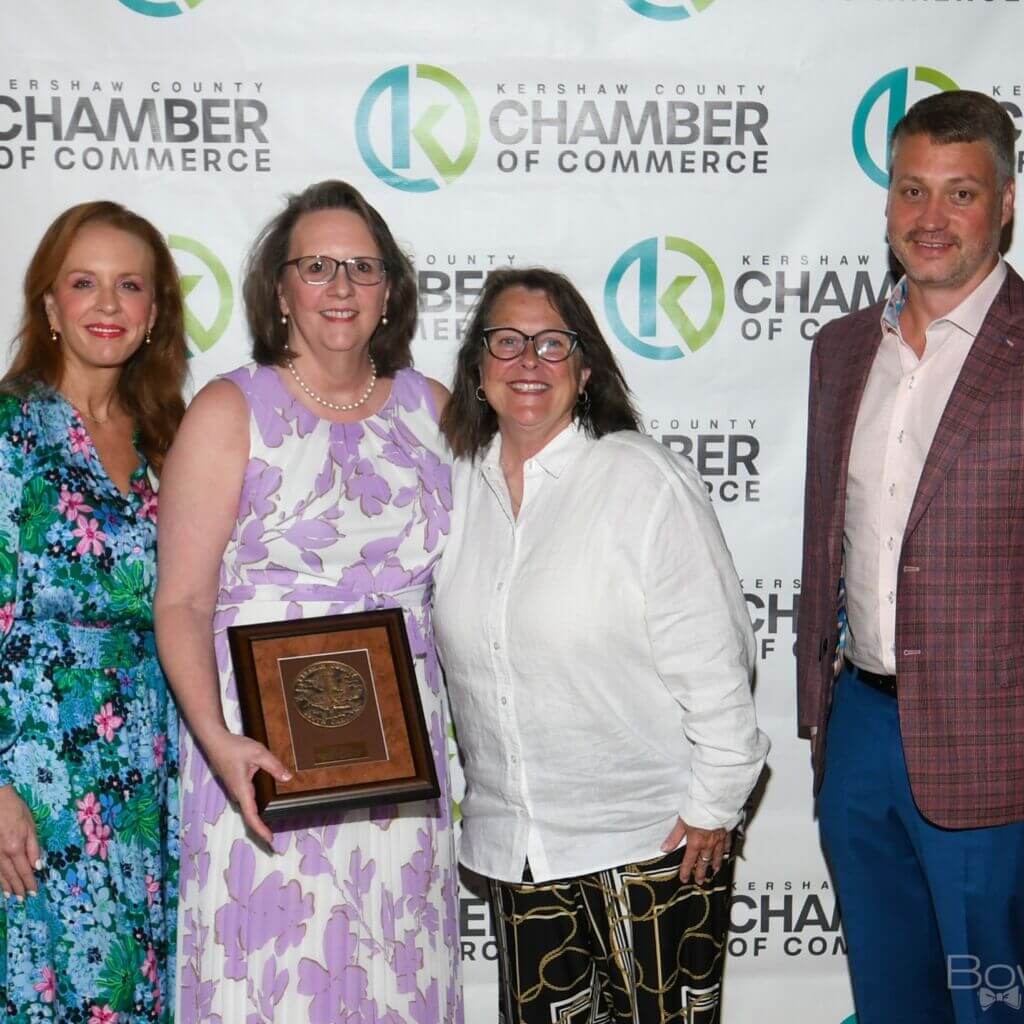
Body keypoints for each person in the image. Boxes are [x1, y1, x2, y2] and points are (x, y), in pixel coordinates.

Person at [154, 180, 463, 1023]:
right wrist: (217, 743)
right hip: (261, 760)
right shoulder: (228, 410)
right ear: (280, 288)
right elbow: (180, 601)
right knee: (280, 981)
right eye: (317, 265)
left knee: (398, 974)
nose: (339, 287)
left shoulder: (432, 408)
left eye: (361, 268)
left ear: (390, 291)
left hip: (401, 760)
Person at [434, 267, 769, 1024]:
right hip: (520, 852)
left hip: (652, 846)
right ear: (478, 369)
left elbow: (720, 660)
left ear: (585, 372)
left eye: (553, 344)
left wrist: (715, 807)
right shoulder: (453, 492)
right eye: (507, 342)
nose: (528, 361)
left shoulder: (641, 481)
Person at [798, 90, 1024, 1024]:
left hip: (997, 749)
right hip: (858, 730)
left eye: (961, 194)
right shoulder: (843, 349)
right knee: (889, 1002)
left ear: (1006, 204)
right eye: (912, 190)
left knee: (994, 1008)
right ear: (887, 201)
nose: (931, 219)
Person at [0, 201, 187, 1021]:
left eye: (129, 286)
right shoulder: (8, 432)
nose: (107, 306)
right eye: (84, 283)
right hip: (32, 776)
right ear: (49, 307)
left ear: (153, 313)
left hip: (150, 772)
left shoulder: (171, 440)